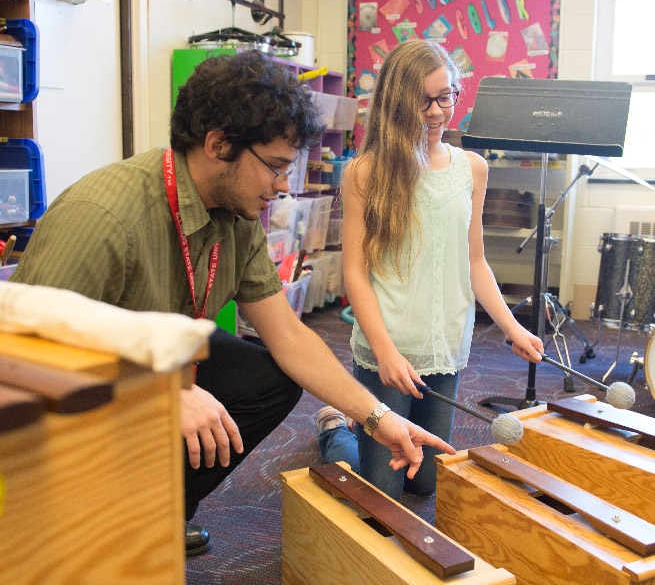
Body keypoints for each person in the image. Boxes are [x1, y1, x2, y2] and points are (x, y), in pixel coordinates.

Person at [9, 51, 457, 557]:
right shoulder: (103, 217)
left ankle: (156, 511)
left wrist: (379, 418)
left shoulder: (237, 220)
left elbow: (290, 337)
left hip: (145, 361)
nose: (285, 187)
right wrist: (156, 395)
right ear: (218, 145)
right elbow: (20, 358)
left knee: (269, 376)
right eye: (276, 168)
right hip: (50, 399)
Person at [317, 40, 544, 500]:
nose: (439, 111)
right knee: (381, 489)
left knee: (426, 483)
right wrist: (384, 352)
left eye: (448, 96)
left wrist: (512, 328)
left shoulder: (471, 169)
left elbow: (474, 260)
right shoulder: (365, 172)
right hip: (388, 349)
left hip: (444, 345)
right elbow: (355, 274)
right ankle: (333, 430)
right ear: (397, 102)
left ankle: (352, 430)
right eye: (425, 100)